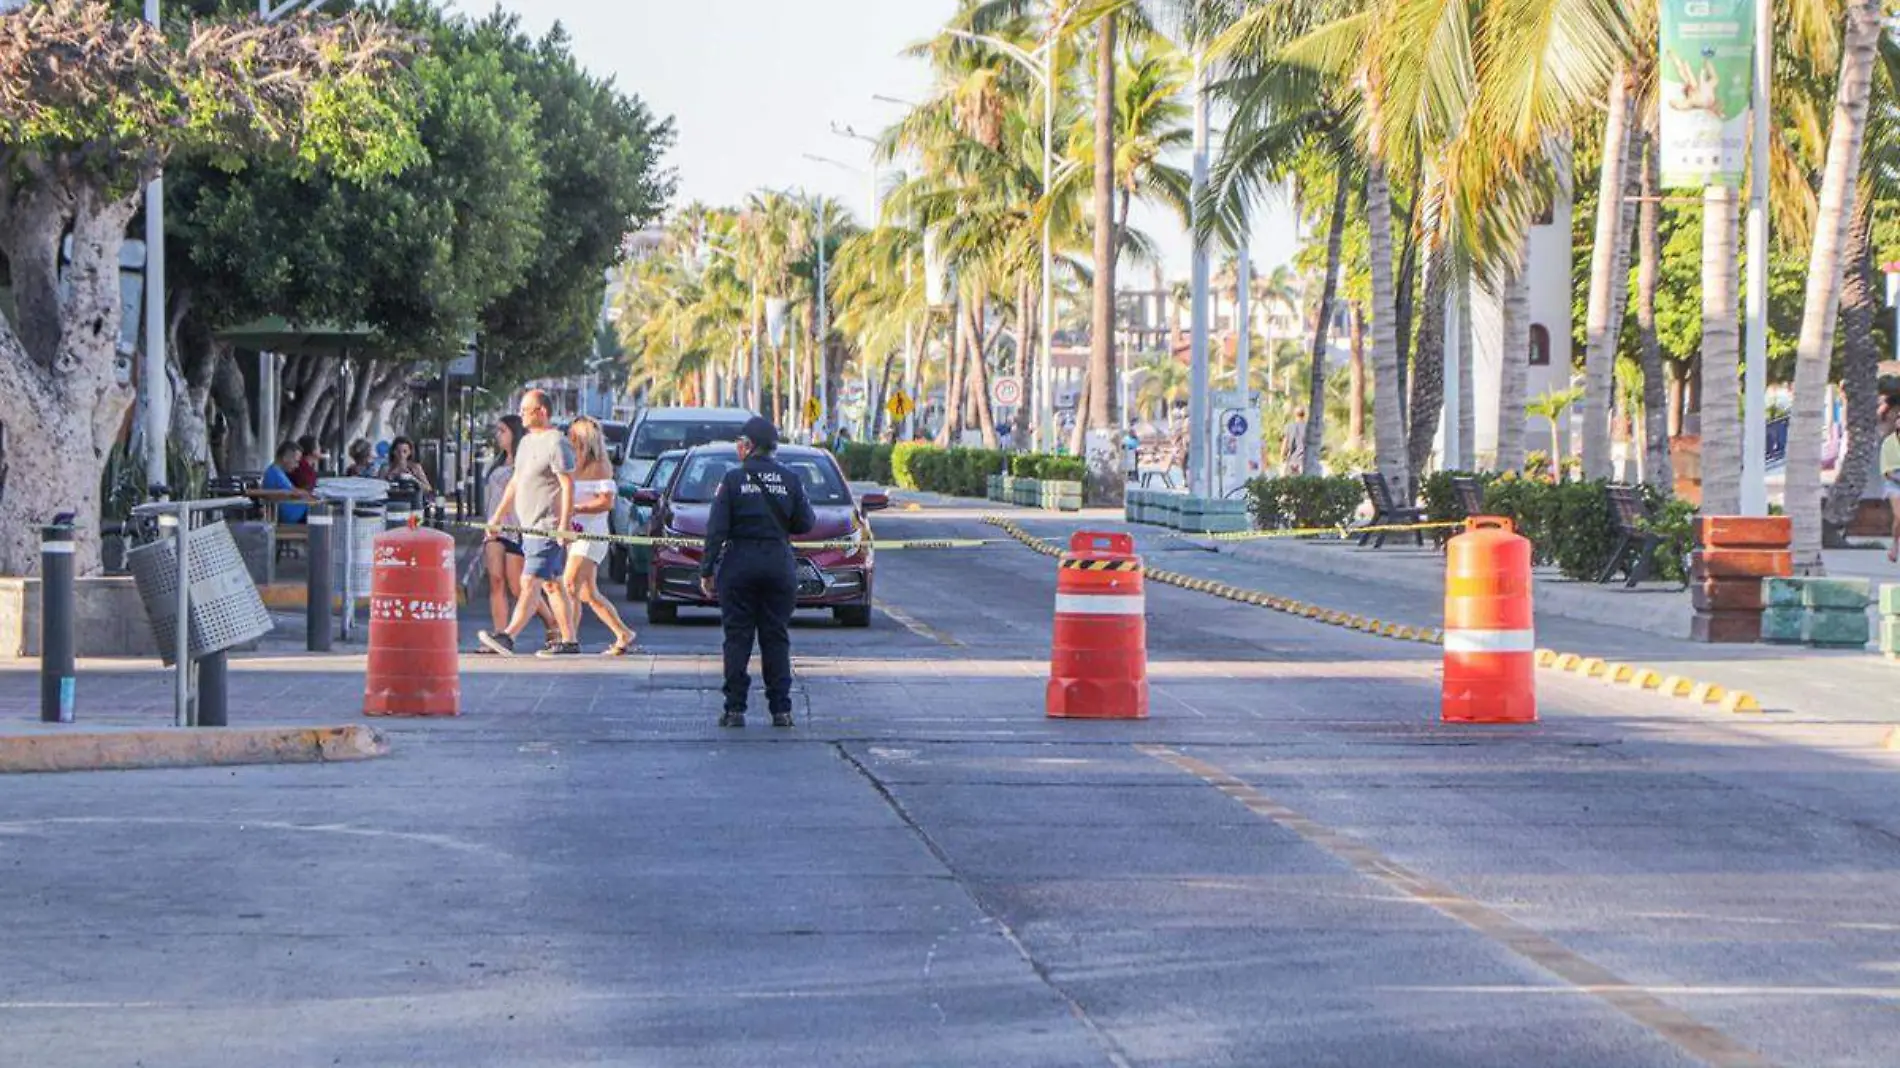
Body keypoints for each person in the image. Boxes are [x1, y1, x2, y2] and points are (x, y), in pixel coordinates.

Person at [699, 416, 815, 728]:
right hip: (778, 563)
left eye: (740, 442)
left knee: (737, 638)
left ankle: (735, 709)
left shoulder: (733, 480)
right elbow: (806, 523)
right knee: (775, 637)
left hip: (739, 563)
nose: (738, 448)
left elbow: (716, 530)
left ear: (748, 446)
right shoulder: (790, 479)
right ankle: (781, 709)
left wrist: (707, 569)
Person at [478, 390, 579, 656]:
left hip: (548, 526)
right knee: (552, 584)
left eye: (526, 409)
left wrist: (565, 525)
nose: (521, 413)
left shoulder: (557, 443)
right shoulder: (526, 444)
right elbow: (515, 483)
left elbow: (568, 485)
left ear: (542, 412)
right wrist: (498, 517)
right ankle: (569, 640)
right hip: (528, 527)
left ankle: (508, 637)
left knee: (529, 582)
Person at [476, 415, 557, 652]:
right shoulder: (497, 462)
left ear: (514, 433)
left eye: (503, 430)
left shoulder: (525, 462)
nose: (498, 435)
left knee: (517, 586)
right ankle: (500, 635)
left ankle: (551, 622)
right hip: (494, 528)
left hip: (517, 528)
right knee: (496, 581)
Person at [563, 417, 640, 656]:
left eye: (574, 438)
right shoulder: (571, 465)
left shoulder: (601, 466)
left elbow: (606, 502)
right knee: (587, 593)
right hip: (574, 533)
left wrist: (577, 509)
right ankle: (623, 633)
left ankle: (569, 639)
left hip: (592, 535)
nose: (570, 441)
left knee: (569, 584)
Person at [262, 440, 314, 523]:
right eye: (296, 461)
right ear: (285, 458)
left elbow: (292, 491)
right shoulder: (275, 473)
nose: (297, 466)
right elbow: (292, 492)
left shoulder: (276, 472)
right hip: (296, 519)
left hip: (299, 514)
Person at [1880, 396, 1900, 562]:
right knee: (1899, 516)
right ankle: (1895, 545)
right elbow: (1886, 471)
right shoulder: (1888, 443)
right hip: (1894, 482)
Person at [1282, 407, 1309, 475]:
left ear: (1295, 414)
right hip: (1305, 460)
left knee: (1289, 483)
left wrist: (1283, 456)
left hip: (1292, 460)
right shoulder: (1309, 427)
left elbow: (1285, 443)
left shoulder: (1289, 427)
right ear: (1304, 414)